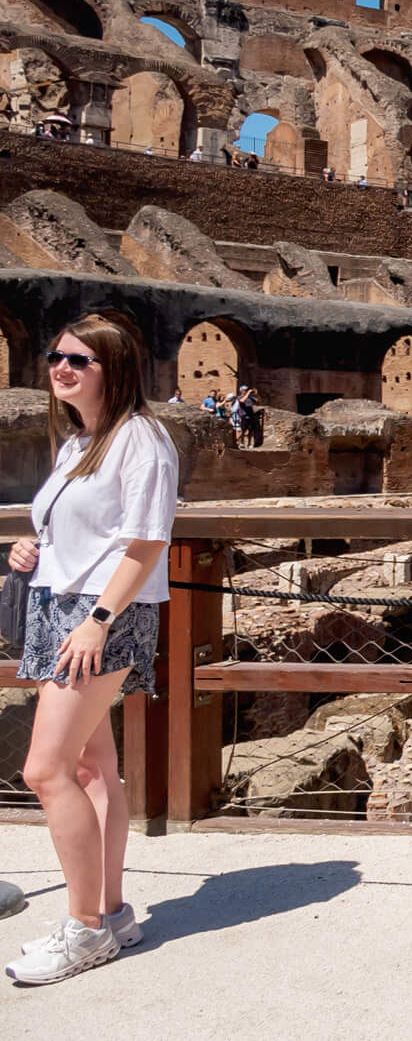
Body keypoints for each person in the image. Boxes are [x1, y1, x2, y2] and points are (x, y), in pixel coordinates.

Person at [7, 312, 176, 985]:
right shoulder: (77, 442)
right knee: (89, 765)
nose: (60, 368)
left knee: (43, 770)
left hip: (103, 616)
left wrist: (99, 620)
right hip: (61, 607)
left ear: (115, 367)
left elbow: (145, 543)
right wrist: (32, 549)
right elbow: (79, 533)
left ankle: (81, 930)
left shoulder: (141, 439)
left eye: (78, 359)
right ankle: (110, 912)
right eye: (54, 356)